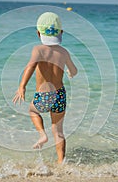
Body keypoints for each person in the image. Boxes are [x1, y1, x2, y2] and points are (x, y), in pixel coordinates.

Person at [13, 12, 78, 164]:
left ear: (38, 33)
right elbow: (74, 70)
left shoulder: (38, 50)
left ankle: (42, 135)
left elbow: (31, 66)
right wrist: (70, 72)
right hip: (60, 95)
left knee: (33, 110)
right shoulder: (64, 52)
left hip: (44, 95)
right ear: (61, 32)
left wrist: (22, 86)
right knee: (58, 131)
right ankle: (61, 162)